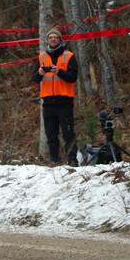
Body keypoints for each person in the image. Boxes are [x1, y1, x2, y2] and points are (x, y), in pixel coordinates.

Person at [32, 27, 78, 164]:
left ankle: (72, 160)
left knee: (68, 134)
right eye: (51, 37)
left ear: (60, 40)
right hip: (48, 103)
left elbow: (73, 77)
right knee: (51, 135)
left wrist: (59, 72)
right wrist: (40, 73)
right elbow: (34, 79)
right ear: (47, 40)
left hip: (65, 102)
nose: (53, 39)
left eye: (55, 37)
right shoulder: (41, 57)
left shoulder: (69, 56)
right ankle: (55, 161)